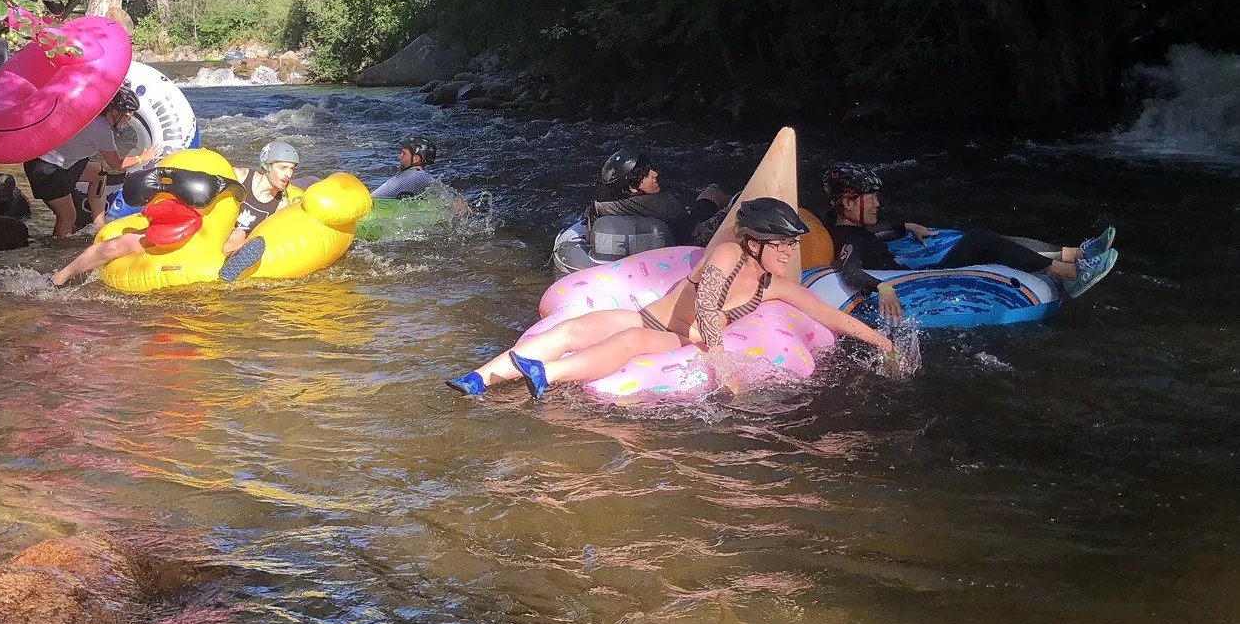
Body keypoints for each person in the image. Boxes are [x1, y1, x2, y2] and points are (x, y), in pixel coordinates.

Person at [447, 198, 894, 397]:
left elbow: (828, 315)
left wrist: (882, 343)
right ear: (753, 243)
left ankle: (546, 374)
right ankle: (480, 378)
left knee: (629, 346)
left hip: (677, 340)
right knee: (571, 328)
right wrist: (723, 364)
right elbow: (709, 302)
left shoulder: (775, 286)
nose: (788, 253)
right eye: (779, 245)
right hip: (648, 316)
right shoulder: (725, 254)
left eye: (790, 246)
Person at [822, 163, 1118, 324]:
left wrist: (906, 227)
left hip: (914, 267)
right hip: (918, 280)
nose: (878, 203)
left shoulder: (854, 228)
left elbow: (881, 232)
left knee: (981, 241)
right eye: (870, 197)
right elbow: (850, 271)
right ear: (847, 203)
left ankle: (1076, 253)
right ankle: (1072, 274)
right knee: (980, 240)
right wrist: (882, 287)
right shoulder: (847, 239)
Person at [51, 140, 300, 287]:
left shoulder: (281, 204)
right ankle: (61, 277)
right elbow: (201, 170)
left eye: (291, 169)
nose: (288, 174)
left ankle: (233, 261)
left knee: (238, 233)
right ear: (267, 167)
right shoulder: (239, 176)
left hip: (221, 242)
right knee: (118, 245)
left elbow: (283, 229)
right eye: (283, 167)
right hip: (191, 226)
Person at [23, 86, 158, 238]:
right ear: (113, 112)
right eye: (127, 116)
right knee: (68, 217)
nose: (129, 120)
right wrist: (143, 157)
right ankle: (57, 250)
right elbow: (116, 164)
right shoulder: (101, 130)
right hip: (46, 170)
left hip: (54, 162)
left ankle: (99, 224)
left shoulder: (91, 115)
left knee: (97, 172)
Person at [586, 148, 730, 245]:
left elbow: (589, 235)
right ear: (632, 187)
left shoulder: (601, 201)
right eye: (647, 174)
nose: (655, 174)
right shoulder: (666, 203)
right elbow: (695, 236)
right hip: (682, 240)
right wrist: (726, 215)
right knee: (712, 193)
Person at [371, 137, 438, 199]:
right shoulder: (415, 175)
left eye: (404, 153)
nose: (399, 157)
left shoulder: (416, 176)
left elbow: (375, 197)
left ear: (416, 159)